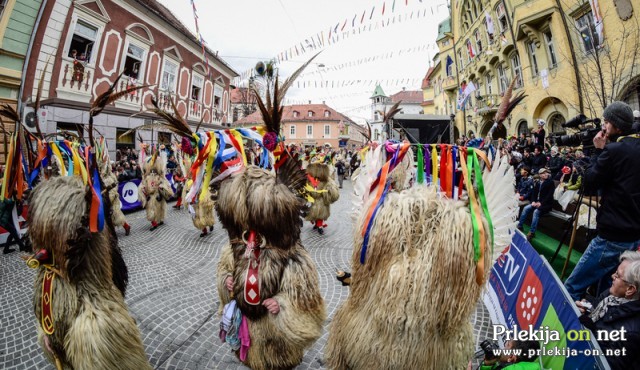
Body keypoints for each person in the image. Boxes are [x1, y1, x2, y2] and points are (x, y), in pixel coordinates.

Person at [565, 101, 640, 301]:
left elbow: (589, 183)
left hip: (612, 234)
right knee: (610, 289)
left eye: (606, 122)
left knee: (571, 288)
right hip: (633, 233)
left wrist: (598, 150)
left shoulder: (614, 151)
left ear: (616, 125)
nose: (603, 127)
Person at [576, 251, 640, 369]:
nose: (612, 276)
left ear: (630, 289)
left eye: (617, 275)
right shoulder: (611, 296)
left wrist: (592, 334)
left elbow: (607, 366)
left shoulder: (631, 334)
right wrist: (585, 310)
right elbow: (596, 313)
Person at [517, 168, 554, 241]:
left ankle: (532, 232)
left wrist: (541, 203)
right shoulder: (538, 182)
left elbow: (549, 195)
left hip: (546, 204)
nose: (546, 174)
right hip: (536, 202)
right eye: (544, 173)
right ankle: (520, 225)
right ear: (540, 175)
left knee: (536, 212)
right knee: (526, 208)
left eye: (546, 173)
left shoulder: (550, 182)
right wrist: (533, 201)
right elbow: (534, 193)